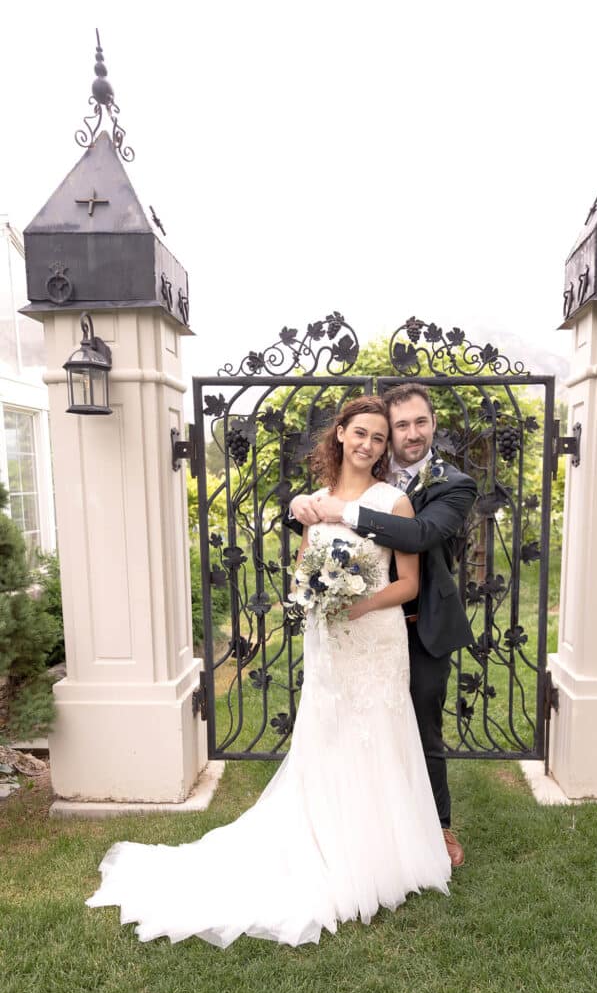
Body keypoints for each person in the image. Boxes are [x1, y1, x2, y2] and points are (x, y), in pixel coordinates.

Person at [86, 395, 451, 948]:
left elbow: (407, 585)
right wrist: (306, 598)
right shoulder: (314, 503)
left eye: (379, 438)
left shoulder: (395, 503)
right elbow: (305, 569)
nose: (369, 444)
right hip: (329, 641)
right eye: (361, 433)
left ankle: (381, 852)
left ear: (385, 448)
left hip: (375, 638)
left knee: (379, 734)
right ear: (340, 435)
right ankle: (326, 842)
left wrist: (357, 604)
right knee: (328, 737)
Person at [289, 383, 477, 868]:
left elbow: (420, 534)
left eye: (421, 423)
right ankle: (340, 823)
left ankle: (436, 827)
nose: (410, 434)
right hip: (349, 630)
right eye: (401, 426)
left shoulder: (452, 482)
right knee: (342, 723)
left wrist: (343, 512)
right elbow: (317, 537)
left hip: (418, 622)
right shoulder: (359, 471)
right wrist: (300, 506)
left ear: (434, 425)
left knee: (421, 727)